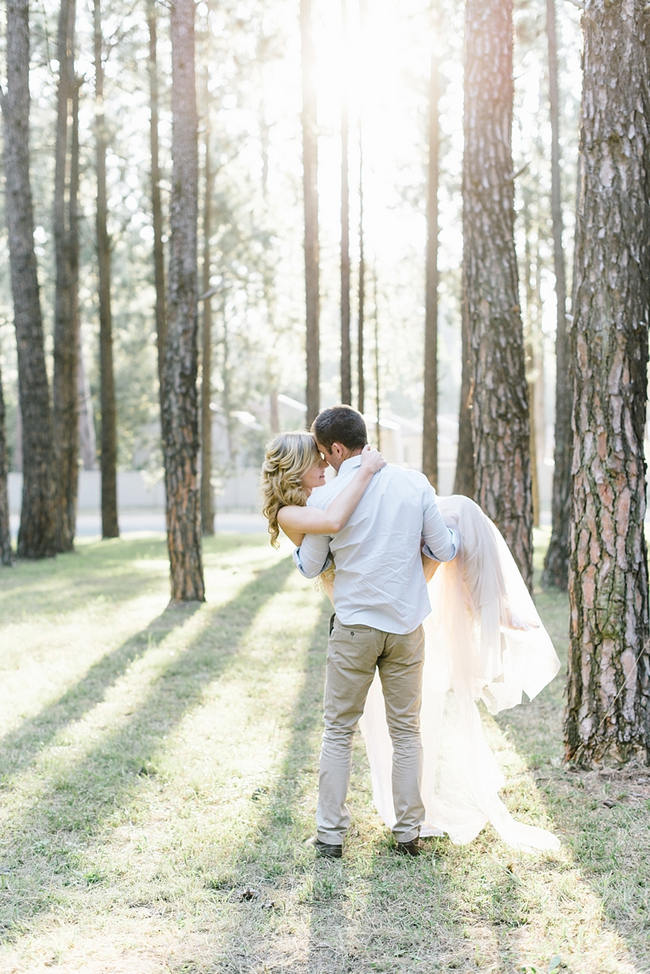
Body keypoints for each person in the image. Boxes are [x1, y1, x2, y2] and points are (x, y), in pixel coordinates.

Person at [288, 405, 459, 858]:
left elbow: (308, 566)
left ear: (338, 448)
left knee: (337, 730)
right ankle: (407, 833)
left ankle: (330, 835)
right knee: (406, 731)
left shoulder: (326, 499)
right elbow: (443, 548)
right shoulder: (414, 482)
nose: (323, 464)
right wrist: (453, 538)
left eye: (324, 454)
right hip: (406, 628)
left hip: (355, 630)